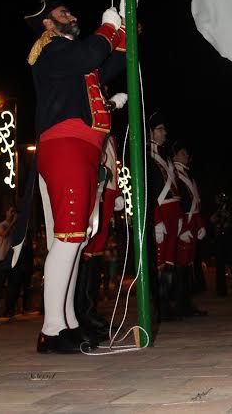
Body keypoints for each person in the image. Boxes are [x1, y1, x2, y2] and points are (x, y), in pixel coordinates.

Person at [24, 0, 127, 353]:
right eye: (62, 13)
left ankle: (65, 321)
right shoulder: (53, 51)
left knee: (76, 238)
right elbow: (91, 55)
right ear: (48, 25)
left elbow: (111, 65)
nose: (71, 15)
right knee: (68, 237)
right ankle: (51, 329)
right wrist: (109, 26)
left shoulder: (74, 56)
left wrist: (126, 25)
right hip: (65, 143)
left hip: (84, 146)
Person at [74, 113, 127, 340]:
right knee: (86, 252)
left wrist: (116, 192)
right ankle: (80, 315)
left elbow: (111, 163)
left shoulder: (109, 133)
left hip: (107, 192)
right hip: (96, 191)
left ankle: (90, 311)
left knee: (96, 253)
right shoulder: (91, 124)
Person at [146, 112, 184, 321]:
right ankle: (158, 307)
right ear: (151, 132)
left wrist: (178, 216)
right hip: (159, 211)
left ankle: (168, 304)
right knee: (159, 262)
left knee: (170, 260)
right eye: (160, 129)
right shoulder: (145, 155)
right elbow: (149, 191)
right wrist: (157, 219)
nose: (165, 133)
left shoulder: (166, 157)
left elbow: (175, 187)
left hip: (172, 211)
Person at [171, 140, 207, 317]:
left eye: (187, 154)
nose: (187, 157)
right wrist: (182, 226)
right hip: (182, 223)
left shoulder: (188, 176)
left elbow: (195, 203)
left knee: (189, 266)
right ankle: (179, 305)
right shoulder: (174, 174)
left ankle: (187, 303)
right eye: (183, 153)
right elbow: (178, 202)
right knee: (180, 266)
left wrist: (199, 224)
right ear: (175, 155)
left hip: (192, 222)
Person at [0, 205, 18, 319]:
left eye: (14, 212)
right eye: (11, 211)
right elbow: (4, 235)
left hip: (12, 259)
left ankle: (8, 310)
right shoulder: (1, 225)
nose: (12, 214)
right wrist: (12, 223)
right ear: (6, 212)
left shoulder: (16, 227)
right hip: (3, 259)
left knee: (12, 287)